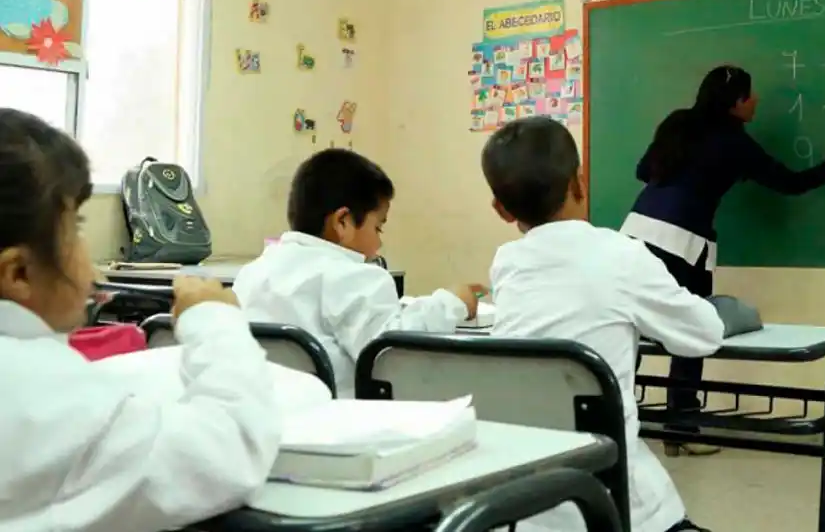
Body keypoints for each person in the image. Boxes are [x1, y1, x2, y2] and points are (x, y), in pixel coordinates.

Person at [0, 108, 283, 531]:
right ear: (18, 273)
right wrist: (214, 320)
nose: (89, 259)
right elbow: (229, 452)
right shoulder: (41, 396)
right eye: (75, 227)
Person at [481, 116, 724, 532]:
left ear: (501, 209)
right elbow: (704, 334)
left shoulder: (507, 262)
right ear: (580, 182)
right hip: (611, 497)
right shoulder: (622, 256)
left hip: (521, 499)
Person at [621, 65, 825, 457]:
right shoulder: (735, 143)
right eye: (750, 95)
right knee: (690, 334)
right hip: (682, 243)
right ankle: (683, 428)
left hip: (634, 234)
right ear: (737, 102)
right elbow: (790, 183)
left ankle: (619, 421)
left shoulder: (678, 123)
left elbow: (644, 171)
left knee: (629, 332)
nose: (756, 100)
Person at [232, 148, 486, 396]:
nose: (379, 244)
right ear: (343, 222)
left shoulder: (251, 273)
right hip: (336, 423)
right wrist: (452, 303)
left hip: (263, 420)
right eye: (378, 228)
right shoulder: (356, 277)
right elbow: (393, 350)